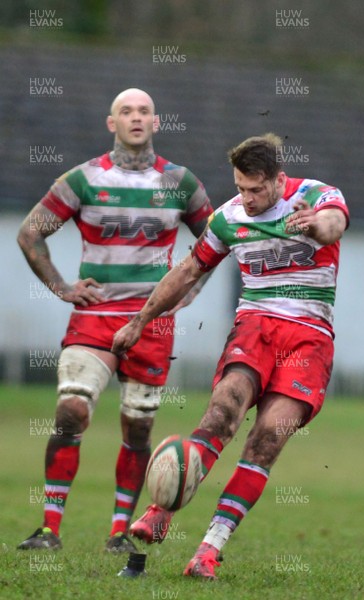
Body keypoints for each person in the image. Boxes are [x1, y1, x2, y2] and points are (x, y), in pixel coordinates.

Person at [111, 133, 349, 578]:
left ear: (280, 179)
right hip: (256, 327)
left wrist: (313, 225)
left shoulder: (317, 196)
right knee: (222, 413)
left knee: (265, 441)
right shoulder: (229, 218)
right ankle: (163, 510)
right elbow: (185, 273)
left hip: (309, 339)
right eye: (241, 187)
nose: (249, 198)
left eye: (257, 189)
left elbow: (334, 225)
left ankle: (208, 550)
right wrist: (139, 321)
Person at [17, 88, 213, 552]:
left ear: (156, 121)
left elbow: (214, 243)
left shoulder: (182, 183)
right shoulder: (83, 179)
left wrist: (187, 292)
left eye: (144, 110)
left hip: (150, 322)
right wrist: (62, 288)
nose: (136, 117)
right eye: (126, 111)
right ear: (113, 123)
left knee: (139, 427)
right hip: (96, 317)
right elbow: (30, 233)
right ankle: (49, 529)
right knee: (71, 411)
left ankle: (118, 533)